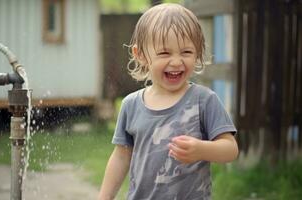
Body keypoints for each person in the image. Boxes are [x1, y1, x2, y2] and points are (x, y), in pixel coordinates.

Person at [98, 3, 239, 200]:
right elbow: (121, 157)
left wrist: (201, 150)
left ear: (197, 53)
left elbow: (230, 149)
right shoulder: (131, 105)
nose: (176, 61)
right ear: (141, 55)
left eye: (186, 52)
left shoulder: (204, 100)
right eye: (164, 53)